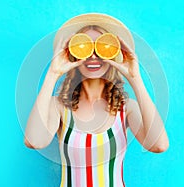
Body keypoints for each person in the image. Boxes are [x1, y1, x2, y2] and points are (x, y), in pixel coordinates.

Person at [24, 13, 169, 187]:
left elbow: (159, 145)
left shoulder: (126, 108)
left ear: (113, 53)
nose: (93, 56)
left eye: (101, 47)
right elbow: (34, 141)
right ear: (74, 55)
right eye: (85, 47)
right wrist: (53, 73)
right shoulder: (59, 106)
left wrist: (135, 77)